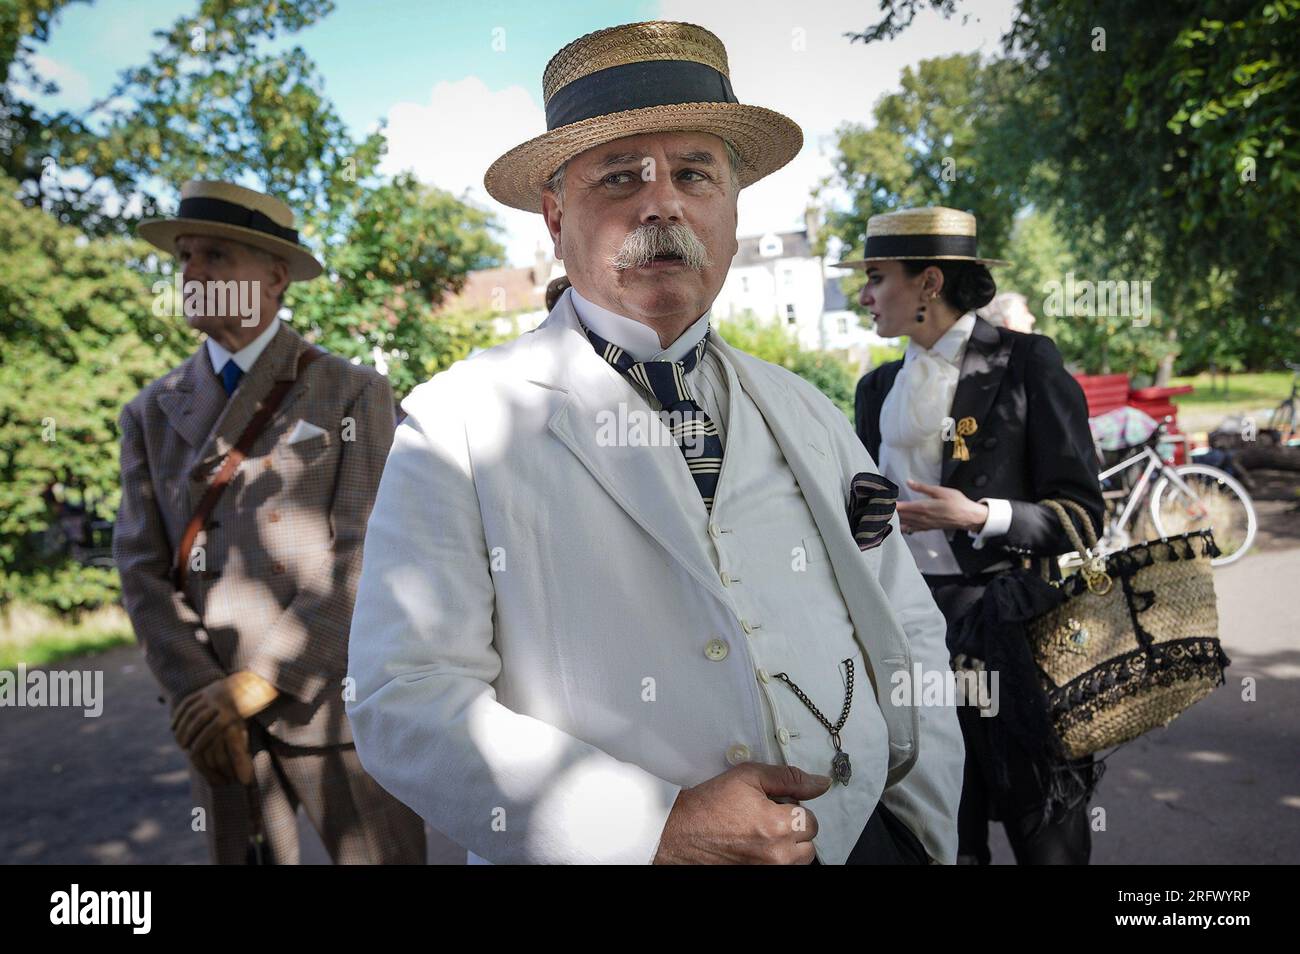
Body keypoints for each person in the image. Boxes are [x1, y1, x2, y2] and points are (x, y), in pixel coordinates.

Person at [345, 20, 964, 865]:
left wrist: (920, 828)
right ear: (556, 215)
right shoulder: (457, 425)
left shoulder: (806, 411)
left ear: (734, 214)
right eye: (621, 174)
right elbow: (402, 695)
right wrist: (647, 829)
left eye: (694, 173)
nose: (663, 200)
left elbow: (905, 625)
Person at [114, 180, 426, 864]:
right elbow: (140, 570)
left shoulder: (351, 390)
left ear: (276, 275)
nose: (192, 274)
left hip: (331, 711)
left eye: (217, 257)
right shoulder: (149, 413)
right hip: (217, 723)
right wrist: (202, 692)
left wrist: (262, 680)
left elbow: (364, 555)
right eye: (185, 258)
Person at [841, 206, 1105, 864]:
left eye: (877, 277)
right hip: (911, 638)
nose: (864, 295)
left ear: (929, 283)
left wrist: (980, 515)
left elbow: (1081, 515)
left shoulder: (1024, 364)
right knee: (943, 835)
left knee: (1047, 833)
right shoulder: (876, 387)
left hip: (1012, 631)